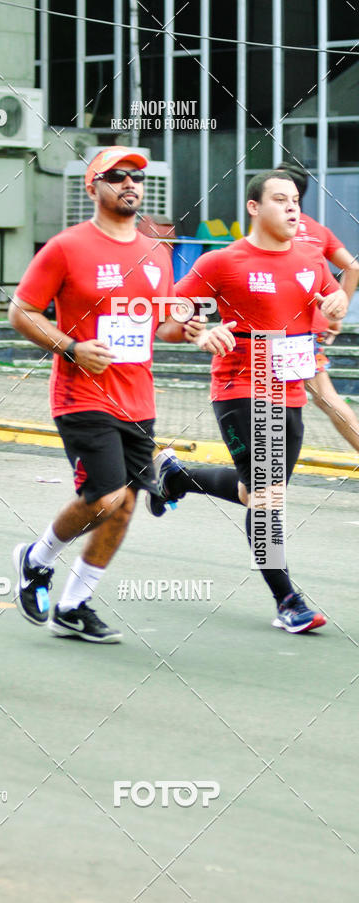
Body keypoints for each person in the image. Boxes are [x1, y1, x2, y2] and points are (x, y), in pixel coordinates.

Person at [147, 169, 348, 634]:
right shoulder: (224, 261)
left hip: (290, 388)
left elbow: (330, 292)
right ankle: (288, 601)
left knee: (250, 492)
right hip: (241, 388)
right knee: (265, 496)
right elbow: (169, 313)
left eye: (295, 199)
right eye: (280, 199)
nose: (292, 207)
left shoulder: (310, 257)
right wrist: (201, 328)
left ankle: (179, 478)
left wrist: (336, 301)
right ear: (254, 207)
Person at [8, 145, 189, 643]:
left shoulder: (156, 251)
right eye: (117, 176)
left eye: (137, 177)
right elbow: (22, 312)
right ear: (93, 186)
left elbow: (163, 326)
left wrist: (192, 326)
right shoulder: (66, 247)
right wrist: (70, 347)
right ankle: (36, 558)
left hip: (139, 401)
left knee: (126, 506)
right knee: (104, 497)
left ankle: (74, 604)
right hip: (81, 396)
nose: (130, 184)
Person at [275, 161, 359, 451]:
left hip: (281, 333)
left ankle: (259, 478)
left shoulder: (269, 231)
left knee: (319, 397)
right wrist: (339, 311)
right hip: (311, 329)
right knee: (322, 398)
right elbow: (353, 268)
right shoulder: (318, 230)